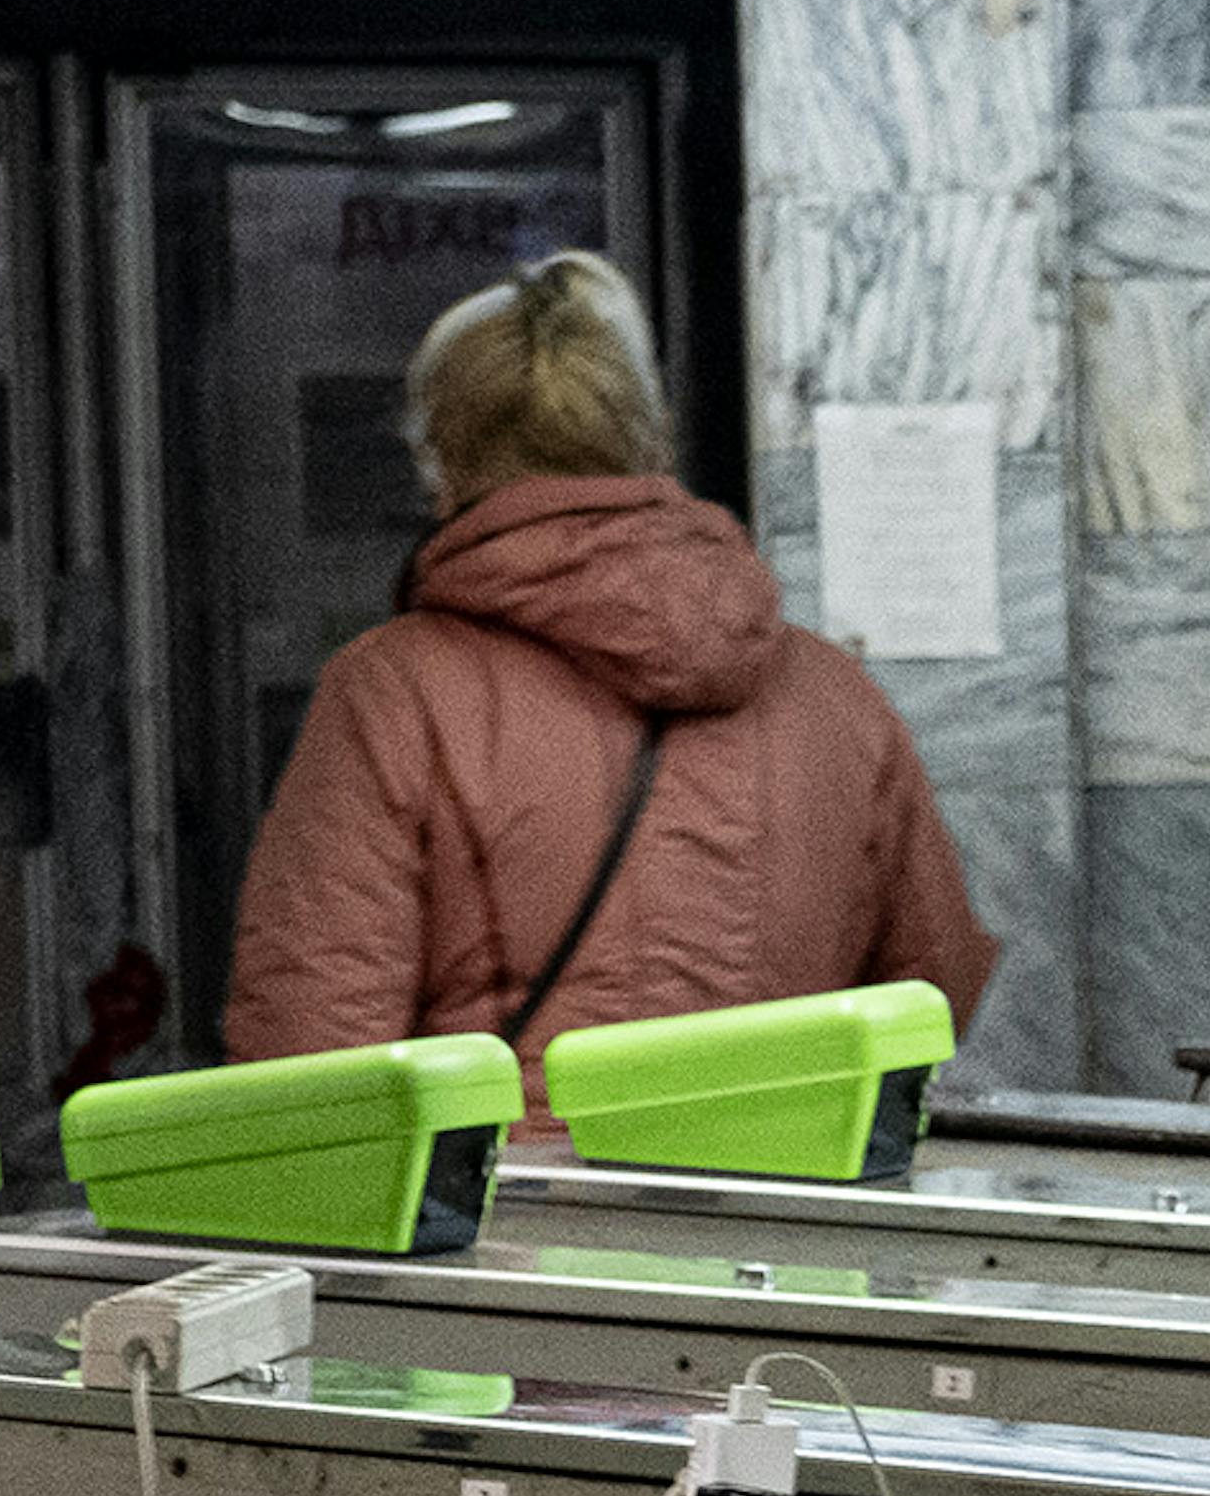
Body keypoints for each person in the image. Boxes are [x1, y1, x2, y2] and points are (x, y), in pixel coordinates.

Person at [217, 248, 999, 1082]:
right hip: (779, 1202)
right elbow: (931, 991)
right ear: (645, 436)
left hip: (516, 1206)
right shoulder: (834, 696)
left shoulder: (392, 694)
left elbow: (313, 1048)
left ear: (440, 464)